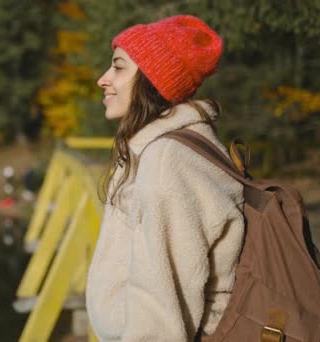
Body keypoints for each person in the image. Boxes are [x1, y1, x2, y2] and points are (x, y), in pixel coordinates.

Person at [85, 15, 245, 341]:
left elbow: (160, 316)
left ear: (151, 79)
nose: (103, 79)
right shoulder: (168, 149)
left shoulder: (168, 162)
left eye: (118, 67)